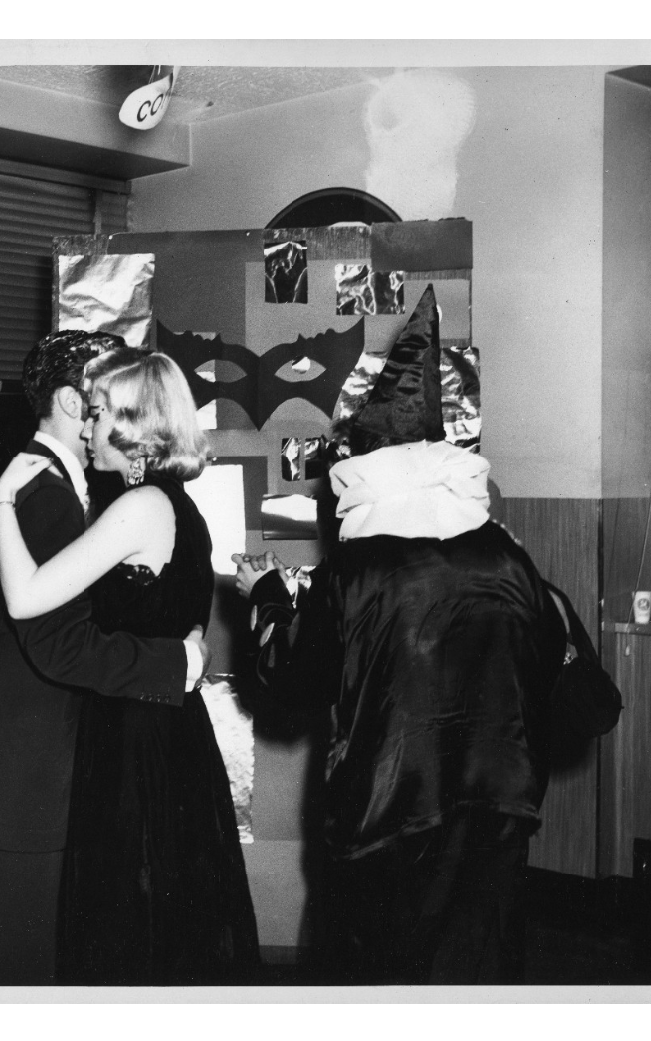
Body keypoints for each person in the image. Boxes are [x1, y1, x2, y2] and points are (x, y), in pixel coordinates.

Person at [233, 285, 566, 985]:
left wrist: (263, 595)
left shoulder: (358, 569)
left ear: (368, 467)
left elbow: (290, 681)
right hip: (496, 812)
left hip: (385, 817)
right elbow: (539, 678)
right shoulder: (507, 556)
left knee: (380, 972)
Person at [0, 331, 210, 986]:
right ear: (73, 399)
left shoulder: (95, 495)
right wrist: (176, 663)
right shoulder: (47, 492)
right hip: (23, 780)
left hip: (64, 770)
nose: (94, 421)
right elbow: (55, 638)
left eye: (106, 406)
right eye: (92, 402)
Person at [0, 347, 261, 986]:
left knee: (130, 922)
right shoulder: (175, 506)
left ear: (134, 426)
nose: (85, 429)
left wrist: (4, 503)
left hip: (135, 739)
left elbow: (26, 597)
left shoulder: (138, 509)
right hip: (166, 729)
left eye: (98, 413)